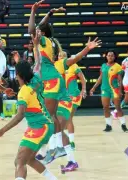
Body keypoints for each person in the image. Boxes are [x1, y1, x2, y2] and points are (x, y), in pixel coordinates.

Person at [29, 1, 101, 159]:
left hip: (52, 82)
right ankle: (55, 150)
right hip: (53, 82)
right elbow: (39, 27)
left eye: (39, 31)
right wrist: (50, 13)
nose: (36, 33)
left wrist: (33, 11)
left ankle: (54, 149)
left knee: (49, 118)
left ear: (42, 33)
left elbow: (32, 29)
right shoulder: (49, 44)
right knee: (51, 118)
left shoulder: (45, 42)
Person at [0, 60, 57, 180]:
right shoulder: (36, 80)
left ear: (19, 75)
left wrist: (2, 130)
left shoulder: (24, 92)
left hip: (39, 127)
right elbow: (37, 65)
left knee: (20, 162)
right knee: (28, 160)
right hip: (44, 125)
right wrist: (35, 46)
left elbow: (20, 115)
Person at [90, 49, 128, 132]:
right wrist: (94, 87)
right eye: (109, 55)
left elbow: (120, 80)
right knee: (105, 107)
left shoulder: (118, 66)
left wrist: (121, 90)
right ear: (106, 56)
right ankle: (108, 125)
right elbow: (100, 78)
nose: (110, 57)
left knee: (118, 107)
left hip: (114, 89)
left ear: (114, 57)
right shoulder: (103, 65)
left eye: (112, 55)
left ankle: (123, 125)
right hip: (104, 89)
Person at [58, 50, 87, 149]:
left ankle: (71, 142)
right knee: (62, 120)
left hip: (73, 96)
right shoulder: (56, 68)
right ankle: (65, 141)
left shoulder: (74, 66)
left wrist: (83, 89)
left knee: (68, 118)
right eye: (59, 55)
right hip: (62, 97)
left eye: (63, 55)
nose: (61, 57)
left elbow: (83, 79)